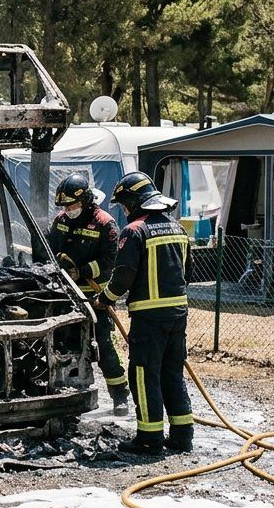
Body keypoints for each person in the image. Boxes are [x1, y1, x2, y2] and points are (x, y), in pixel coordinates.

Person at [96, 171, 194, 455]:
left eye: (125, 205)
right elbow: (188, 274)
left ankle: (149, 438)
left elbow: (123, 277)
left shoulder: (135, 231)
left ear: (135, 202)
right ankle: (181, 436)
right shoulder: (178, 229)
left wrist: (105, 299)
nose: (124, 211)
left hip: (149, 319)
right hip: (178, 315)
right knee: (172, 373)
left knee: (143, 374)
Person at [46, 174, 129, 416]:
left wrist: (81, 270)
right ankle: (71, 395)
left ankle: (120, 395)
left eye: (72, 205)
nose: (68, 210)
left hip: (95, 298)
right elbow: (51, 249)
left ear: (86, 201)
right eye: (65, 206)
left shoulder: (105, 224)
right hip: (65, 296)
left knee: (103, 347)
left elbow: (111, 261)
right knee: (66, 347)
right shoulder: (61, 221)